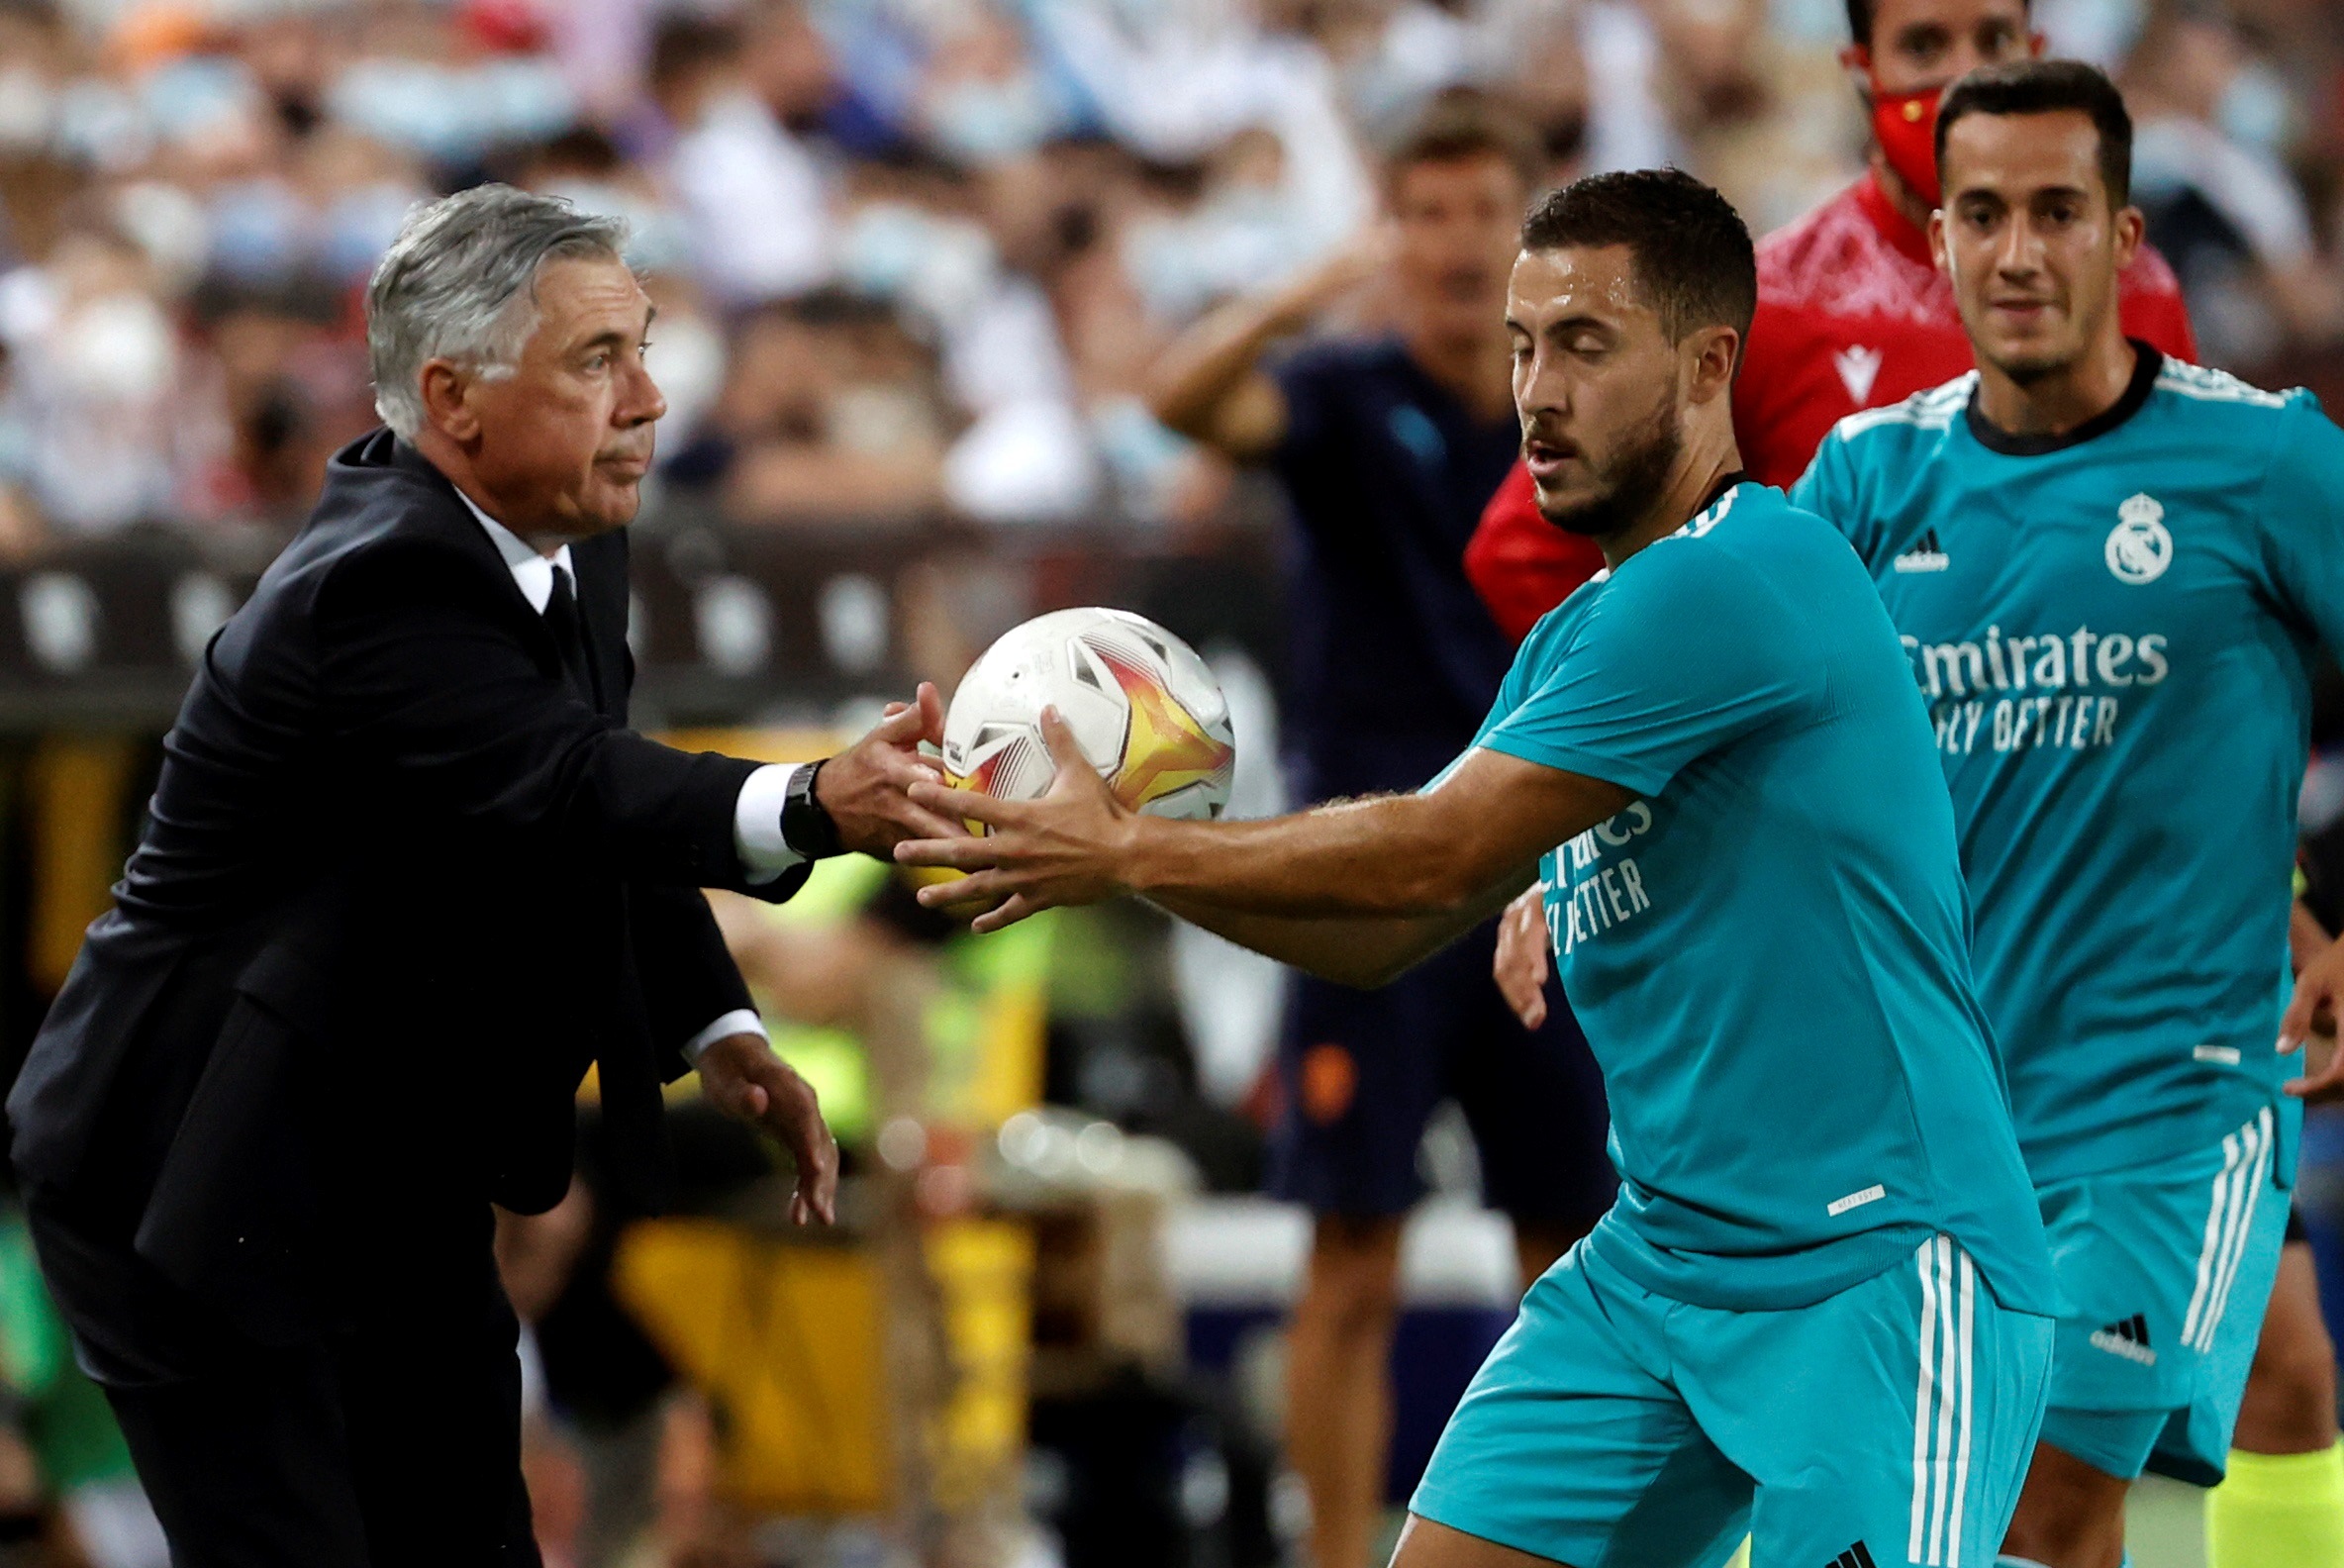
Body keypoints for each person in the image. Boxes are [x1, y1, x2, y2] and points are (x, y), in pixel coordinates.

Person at [905, 167, 2059, 1568]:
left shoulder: (1744, 576)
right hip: (1660, 1271)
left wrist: (1132, 841)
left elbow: (1427, 855)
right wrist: (1127, 866)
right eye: (1522, 346)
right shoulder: (1571, 639)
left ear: (1708, 366)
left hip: (1879, 1272)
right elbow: (1394, 931)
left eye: (1583, 344)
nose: (1536, 390)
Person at [4, 186, 957, 1567]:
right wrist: (816, 802)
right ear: (452, 397)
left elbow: (580, 789)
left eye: (643, 347)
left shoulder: (568, 537)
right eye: (596, 361)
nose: (648, 399)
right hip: (191, 1165)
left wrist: (720, 1026)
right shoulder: (375, 582)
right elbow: (567, 782)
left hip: (382, 1161)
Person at [1775, 61, 2342, 1568]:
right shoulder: (1866, 479)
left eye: (2056, 211)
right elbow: (1712, 707)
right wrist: (1551, 862)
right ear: (1941, 241)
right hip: (1940, 1122)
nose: (2018, 251)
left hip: (2177, 1105)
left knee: (2035, 1500)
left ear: (2124, 237)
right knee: (1953, 1519)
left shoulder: (2266, 463)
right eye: (1982, 214)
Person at [1143, 95, 1614, 1568]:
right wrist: (1307, 285)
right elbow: (1179, 402)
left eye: (1484, 212)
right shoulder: (1342, 392)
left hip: (1548, 853)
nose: (1454, 244)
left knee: (1575, 1257)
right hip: (1370, 869)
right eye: (1425, 213)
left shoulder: (1586, 409)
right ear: (1388, 229)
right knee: (1350, 1256)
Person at [1461, 0, 2198, 644]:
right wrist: (1721, 729)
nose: (1967, 80)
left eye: (1995, 41)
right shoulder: (1769, 302)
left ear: (2036, 55)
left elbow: (2192, 551)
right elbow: (1524, 558)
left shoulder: (2135, 292)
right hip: (1858, 803)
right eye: (1924, 47)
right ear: (1860, 69)